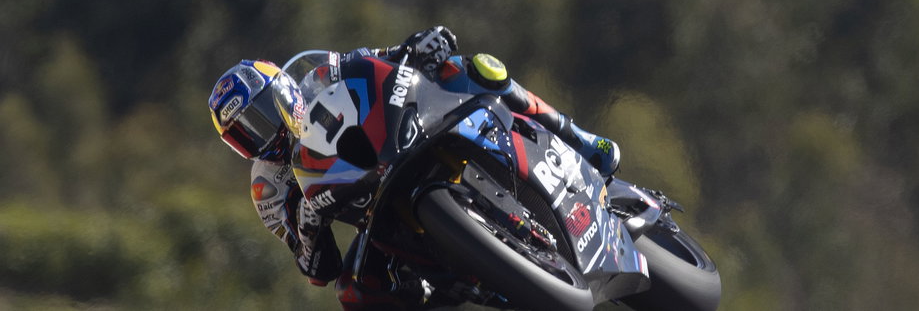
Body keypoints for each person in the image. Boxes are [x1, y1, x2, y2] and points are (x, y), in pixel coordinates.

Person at [207, 26, 621, 309]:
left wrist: (418, 46)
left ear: (281, 89)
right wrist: (310, 222)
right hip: (378, 219)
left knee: (473, 67)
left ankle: (581, 138)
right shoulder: (268, 188)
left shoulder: (319, 74)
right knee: (354, 294)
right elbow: (315, 267)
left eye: (258, 118)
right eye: (243, 135)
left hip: (400, 144)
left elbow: (374, 60)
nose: (258, 135)